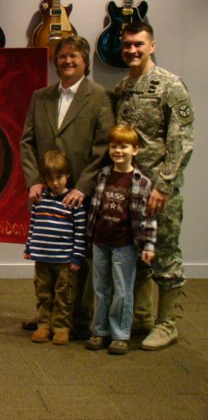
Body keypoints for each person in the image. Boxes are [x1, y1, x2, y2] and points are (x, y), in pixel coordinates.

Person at [20, 35, 115, 338]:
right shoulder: (41, 96)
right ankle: (46, 316)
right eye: (62, 56)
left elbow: (104, 148)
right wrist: (35, 181)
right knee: (46, 261)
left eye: (74, 57)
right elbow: (27, 142)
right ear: (55, 60)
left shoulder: (99, 96)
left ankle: (77, 319)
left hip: (80, 193)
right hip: (47, 192)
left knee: (78, 260)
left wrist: (82, 187)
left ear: (85, 61)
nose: (68, 61)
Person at [114, 21, 194, 350]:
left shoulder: (169, 86)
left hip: (158, 190)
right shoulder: (122, 88)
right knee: (137, 253)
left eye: (139, 44)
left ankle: (167, 323)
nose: (133, 50)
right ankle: (143, 317)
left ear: (152, 46)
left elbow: (182, 143)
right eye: (128, 45)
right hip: (129, 187)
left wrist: (163, 186)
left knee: (164, 254)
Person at [85, 125, 157, 355]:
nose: (118, 151)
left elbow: (149, 216)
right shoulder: (104, 175)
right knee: (100, 288)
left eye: (124, 146)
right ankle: (100, 331)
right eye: (114, 146)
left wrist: (149, 244)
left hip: (124, 243)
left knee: (122, 290)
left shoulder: (141, 182)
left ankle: (119, 335)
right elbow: (95, 209)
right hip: (100, 240)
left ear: (135, 150)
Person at [24, 150, 86, 346]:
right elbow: (33, 224)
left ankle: (61, 327)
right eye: (50, 179)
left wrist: (76, 257)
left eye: (59, 177)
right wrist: (29, 247)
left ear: (67, 175)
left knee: (64, 295)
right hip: (42, 257)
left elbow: (79, 232)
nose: (55, 183)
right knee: (43, 292)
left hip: (64, 260)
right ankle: (44, 325)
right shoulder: (39, 200)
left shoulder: (73, 203)